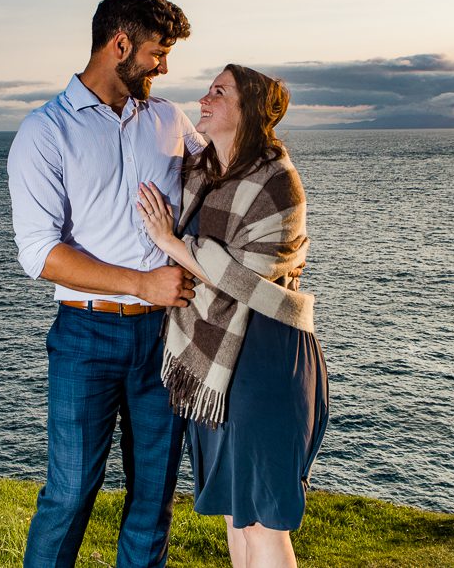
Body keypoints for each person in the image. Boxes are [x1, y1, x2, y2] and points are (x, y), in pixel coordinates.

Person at [8, 0, 201, 568]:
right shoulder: (44, 132)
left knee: (152, 503)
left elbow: (224, 173)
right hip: (85, 338)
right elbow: (40, 254)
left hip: (166, 341)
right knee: (68, 495)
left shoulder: (169, 118)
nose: (164, 67)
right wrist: (141, 284)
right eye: (157, 52)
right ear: (120, 44)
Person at [135, 64, 329, 568]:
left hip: (266, 353)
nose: (205, 98)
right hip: (217, 359)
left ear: (250, 112)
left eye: (219, 92)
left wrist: (172, 243)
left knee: (263, 520)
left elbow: (245, 277)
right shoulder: (202, 174)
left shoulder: (278, 183)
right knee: (236, 516)